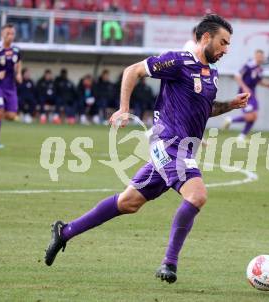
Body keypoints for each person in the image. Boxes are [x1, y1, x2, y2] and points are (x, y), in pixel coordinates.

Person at [44, 14, 249, 284]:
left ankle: (65, 232)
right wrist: (124, 109)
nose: (226, 50)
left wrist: (229, 105)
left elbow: (205, 108)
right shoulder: (178, 61)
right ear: (206, 37)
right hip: (167, 144)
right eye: (223, 43)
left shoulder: (212, 74)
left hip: (184, 149)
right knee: (197, 195)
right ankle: (169, 263)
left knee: (128, 203)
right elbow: (133, 71)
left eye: (229, 45)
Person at [223, 49, 269, 142]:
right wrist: (244, 87)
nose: (260, 58)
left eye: (261, 56)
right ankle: (230, 120)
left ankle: (241, 136)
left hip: (252, 94)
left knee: (255, 116)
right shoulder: (249, 65)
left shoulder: (260, 69)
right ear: (255, 56)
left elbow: (258, 81)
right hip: (244, 94)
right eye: (258, 56)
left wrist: (267, 85)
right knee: (250, 116)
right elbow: (237, 75)